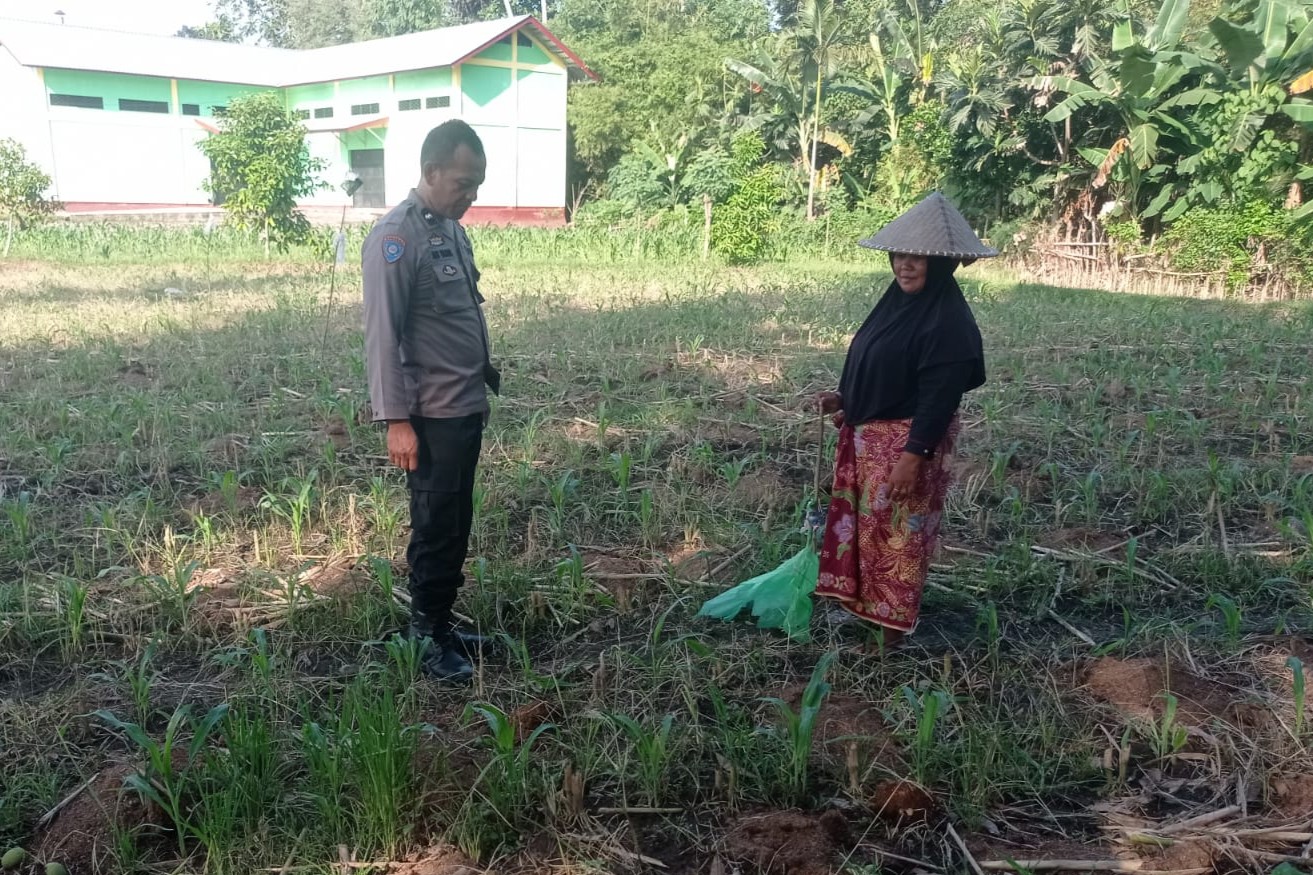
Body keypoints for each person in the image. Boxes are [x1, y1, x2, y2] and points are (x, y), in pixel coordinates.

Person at [813, 192, 996, 649]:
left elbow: (938, 396)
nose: (905, 265)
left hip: (907, 445)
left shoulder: (947, 323)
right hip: (868, 440)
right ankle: (866, 612)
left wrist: (913, 457)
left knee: (898, 539)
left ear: (943, 265)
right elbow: (882, 363)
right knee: (868, 533)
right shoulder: (893, 306)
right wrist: (845, 397)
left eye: (918, 258)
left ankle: (890, 631)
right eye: (900, 255)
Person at [361, 120, 500, 684]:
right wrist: (396, 420)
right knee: (435, 525)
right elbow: (381, 336)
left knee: (456, 521)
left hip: (463, 404)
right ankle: (423, 637)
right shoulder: (396, 237)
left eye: (478, 185)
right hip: (430, 415)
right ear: (431, 171)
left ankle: (441, 625)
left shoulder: (448, 229)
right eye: (464, 183)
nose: (471, 195)